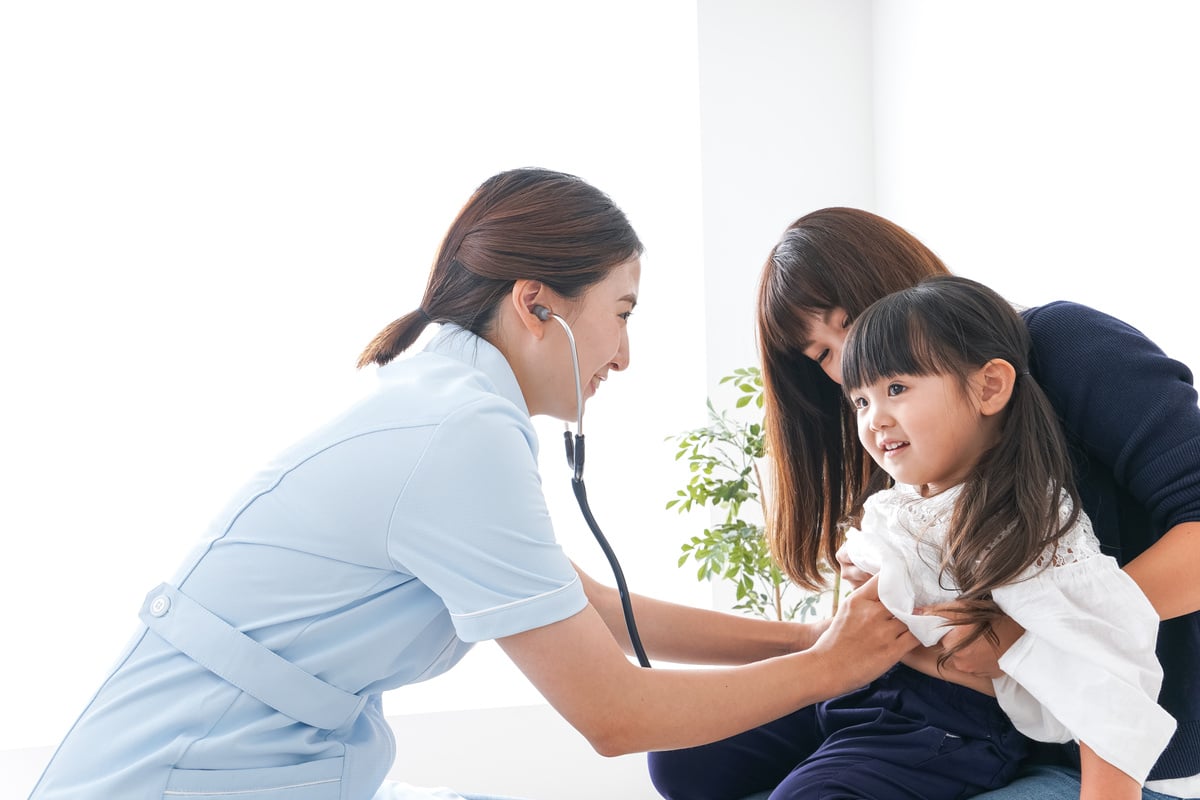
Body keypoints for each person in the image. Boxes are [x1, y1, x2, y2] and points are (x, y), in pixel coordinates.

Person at [28, 171, 918, 800]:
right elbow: (613, 714)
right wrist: (833, 664)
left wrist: (809, 638)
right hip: (182, 775)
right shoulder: (457, 436)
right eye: (621, 314)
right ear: (538, 305)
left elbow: (593, 609)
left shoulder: (449, 407)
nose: (625, 355)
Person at [649, 207, 1200, 800]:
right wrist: (880, 595)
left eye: (851, 321)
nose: (850, 361)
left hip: (1027, 726)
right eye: (823, 356)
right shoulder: (896, 437)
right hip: (904, 690)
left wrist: (1026, 634)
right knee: (681, 758)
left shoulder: (1063, 349)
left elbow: (1086, 648)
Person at [841, 274, 1172, 796]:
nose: (874, 418)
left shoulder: (1022, 522)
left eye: (896, 389)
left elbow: (1108, 669)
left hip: (953, 724)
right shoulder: (899, 503)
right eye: (859, 401)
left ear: (989, 386)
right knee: (693, 764)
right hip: (869, 689)